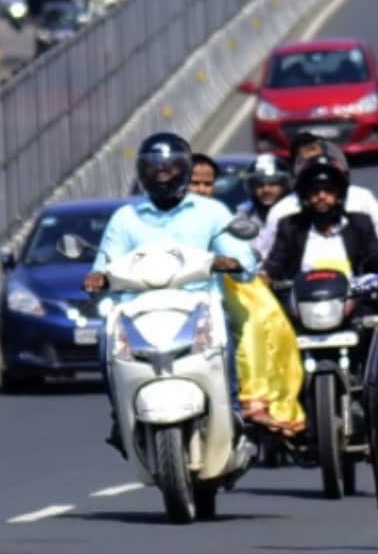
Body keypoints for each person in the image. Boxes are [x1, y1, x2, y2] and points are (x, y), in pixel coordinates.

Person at [84, 133, 257, 449]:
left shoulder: (212, 212)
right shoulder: (126, 218)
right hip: (138, 311)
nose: (162, 174)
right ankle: (120, 418)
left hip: (197, 306)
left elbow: (243, 259)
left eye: (171, 168)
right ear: (141, 172)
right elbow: (105, 264)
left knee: (226, 335)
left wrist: (234, 261)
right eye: (154, 168)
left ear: (186, 170)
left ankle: (232, 411)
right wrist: (97, 278)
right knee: (104, 339)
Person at [193, 153, 306, 435]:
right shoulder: (140, 216)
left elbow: (242, 255)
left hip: (247, 287)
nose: (266, 190)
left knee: (262, 325)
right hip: (172, 294)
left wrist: (238, 264)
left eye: (207, 185)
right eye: (194, 183)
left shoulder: (221, 214)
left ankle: (256, 402)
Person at [255, 133, 378, 257]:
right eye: (307, 164)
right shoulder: (282, 212)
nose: (321, 197)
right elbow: (265, 259)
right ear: (295, 169)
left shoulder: (361, 199)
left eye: (320, 160)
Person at [261, 150, 378, 282]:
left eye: (329, 190)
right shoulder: (290, 226)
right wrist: (264, 277)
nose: (322, 196)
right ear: (305, 195)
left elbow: (375, 262)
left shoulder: (360, 223)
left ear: (339, 194)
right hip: (301, 300)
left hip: (352, 299)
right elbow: (274, 265)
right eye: (315, 190)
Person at [238, 153, 293, 230]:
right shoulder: (244, 213)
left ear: (284, 185)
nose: (266, 190)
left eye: (273, 183)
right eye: (260, 184)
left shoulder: (296, 213)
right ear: (251, 187)